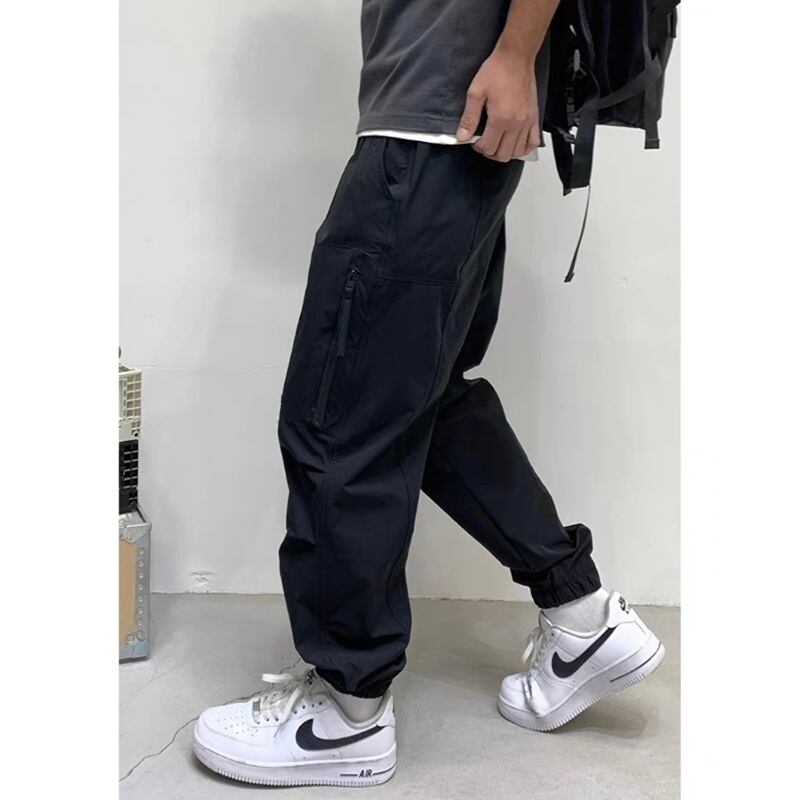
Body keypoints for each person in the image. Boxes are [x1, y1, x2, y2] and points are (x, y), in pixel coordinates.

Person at [193, 0, 664, 786]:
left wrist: (514, 55)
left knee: (341, 417)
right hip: (451, 135)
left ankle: (346, 711)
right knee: (427, 400)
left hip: (429, 132)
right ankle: (580, 619)